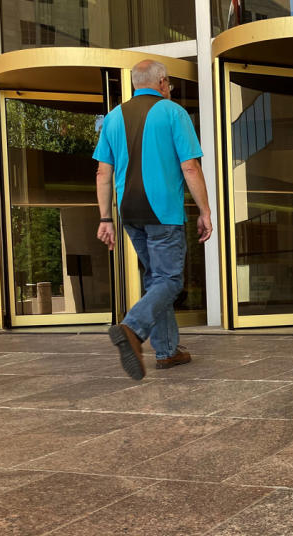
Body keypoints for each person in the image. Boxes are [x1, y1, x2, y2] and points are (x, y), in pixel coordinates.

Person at [93, 59, 213, 380]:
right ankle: (132, 328)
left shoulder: (114, 118)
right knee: (169, 280)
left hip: (129, 213)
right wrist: (205, 211)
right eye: (169, 85)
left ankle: (167, 351)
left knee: (156, 280)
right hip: (163, 212)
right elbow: (190, 167)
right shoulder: (174, 113)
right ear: (163, 82)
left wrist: (106, 218)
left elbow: (103, 173)